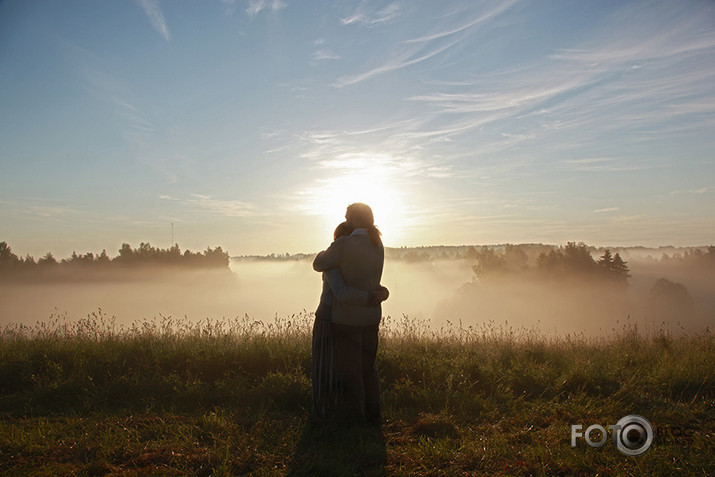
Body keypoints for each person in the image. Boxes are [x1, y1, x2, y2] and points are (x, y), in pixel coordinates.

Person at [313, 203, 385, 425]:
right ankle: (374, 416)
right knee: (368, 368)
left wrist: (330, 248)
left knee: (351, 372)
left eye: (347, 216)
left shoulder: (344, 244)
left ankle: (355, 421)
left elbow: (318, 264)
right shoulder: (377, 244)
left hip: (348, 319)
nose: (345, 220)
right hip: (372, 317)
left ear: (353, 218)